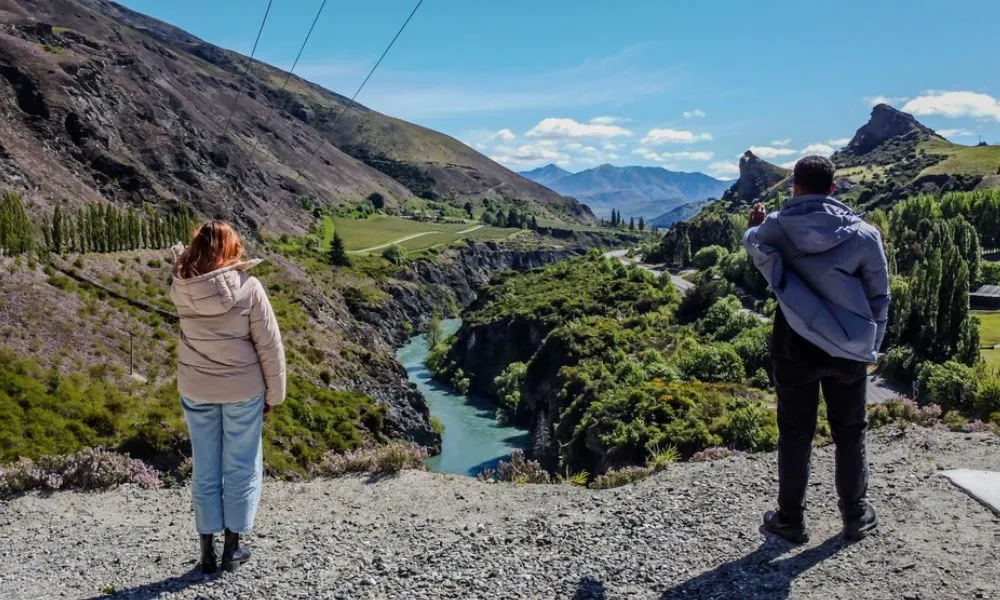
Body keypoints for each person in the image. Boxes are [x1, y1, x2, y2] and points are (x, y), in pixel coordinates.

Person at [743, 155, 889, 544]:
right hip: (848, 347)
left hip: (794, 344)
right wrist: (869, 348)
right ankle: (855, 516)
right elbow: (879, 298)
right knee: (850, 431)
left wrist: (754, 228)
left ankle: (791, 519)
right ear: (833, 189)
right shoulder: (864, 234)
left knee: (795, 433)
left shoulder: (773, 227)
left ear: (794, 186)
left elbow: (758, 255)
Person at [169, 221, 286, 573]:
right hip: (243, 391)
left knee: (205, 466)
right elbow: (269, 346)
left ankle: (206, 552)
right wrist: (274, 396)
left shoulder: (180, 289)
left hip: (196, 388)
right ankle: (232, 550)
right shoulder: (249, 288)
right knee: (241, 465)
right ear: (231, 248)